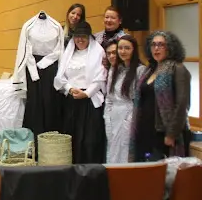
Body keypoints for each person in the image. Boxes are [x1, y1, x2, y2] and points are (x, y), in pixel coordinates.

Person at [130, 31, 191, 162]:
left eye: (161, 45)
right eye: (153, 45)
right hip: (145, 128)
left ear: (170, 47)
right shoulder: (149, 69)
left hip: (163, 132)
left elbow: (182, 105)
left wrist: (171, 134)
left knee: (163, 170)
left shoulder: (178, 69)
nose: (156, 48)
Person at [54, 21, 107, 164]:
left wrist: (87, 93)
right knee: (72, 137)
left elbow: (101, 76)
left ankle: (89, 170)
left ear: (89, 37)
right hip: (71, 101)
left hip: (90, 102)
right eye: (77, 37)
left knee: (89, 140)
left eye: (83, 36)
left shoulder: (98, 52)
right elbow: (61, 76)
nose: (80, 40)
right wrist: (69, 88)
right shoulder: (68, 54)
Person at [104, 35, 145, 163]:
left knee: (125, 148)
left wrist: (131, 118)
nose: (123, 51)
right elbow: (109, 97)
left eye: (127, 48)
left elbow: (140, 99)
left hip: (129, 113)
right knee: (112, 148)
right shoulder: (114, 69)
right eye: (120, 48)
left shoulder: (140, 70)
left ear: (134, 50)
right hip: (113, 114)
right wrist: (107, 116)